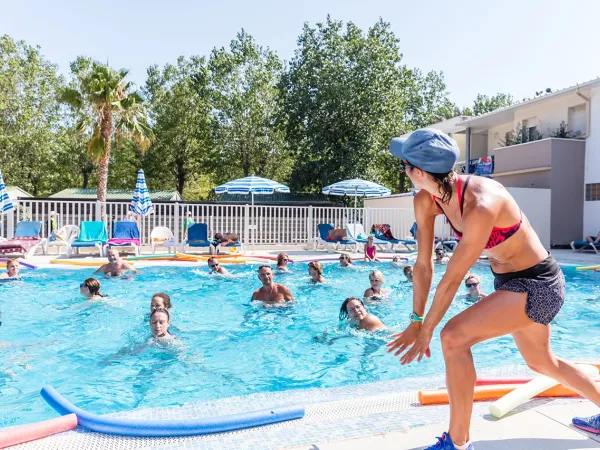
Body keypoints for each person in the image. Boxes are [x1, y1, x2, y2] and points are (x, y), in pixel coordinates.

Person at [386, 128, 600, 450]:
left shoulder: (482, 202)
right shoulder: (425, 200)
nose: (403, 171)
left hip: (539, 283)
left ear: (417, 172)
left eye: (403, 165)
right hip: (509, 284)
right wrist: (417, 320)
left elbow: (454, 277)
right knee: (544, 363)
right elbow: (424, 266)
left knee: (452, 338)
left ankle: (458, 443)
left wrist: (428, 329)